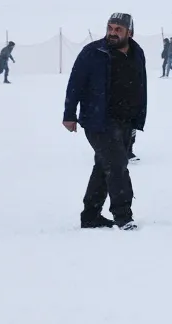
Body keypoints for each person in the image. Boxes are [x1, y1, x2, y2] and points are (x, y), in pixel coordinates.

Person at [62, 13, 147, 230]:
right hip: (98, 120)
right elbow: (75, 82)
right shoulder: (93, 52)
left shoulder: (137, 52)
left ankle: (90, 216)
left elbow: (140, 85)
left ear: (130, 33)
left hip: (125, 121)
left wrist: (138, 117)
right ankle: (123, 216)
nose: (112, 33)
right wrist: (69, 114)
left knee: (103, 166)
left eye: (118, 29)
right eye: (110, 28)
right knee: (117, 165)